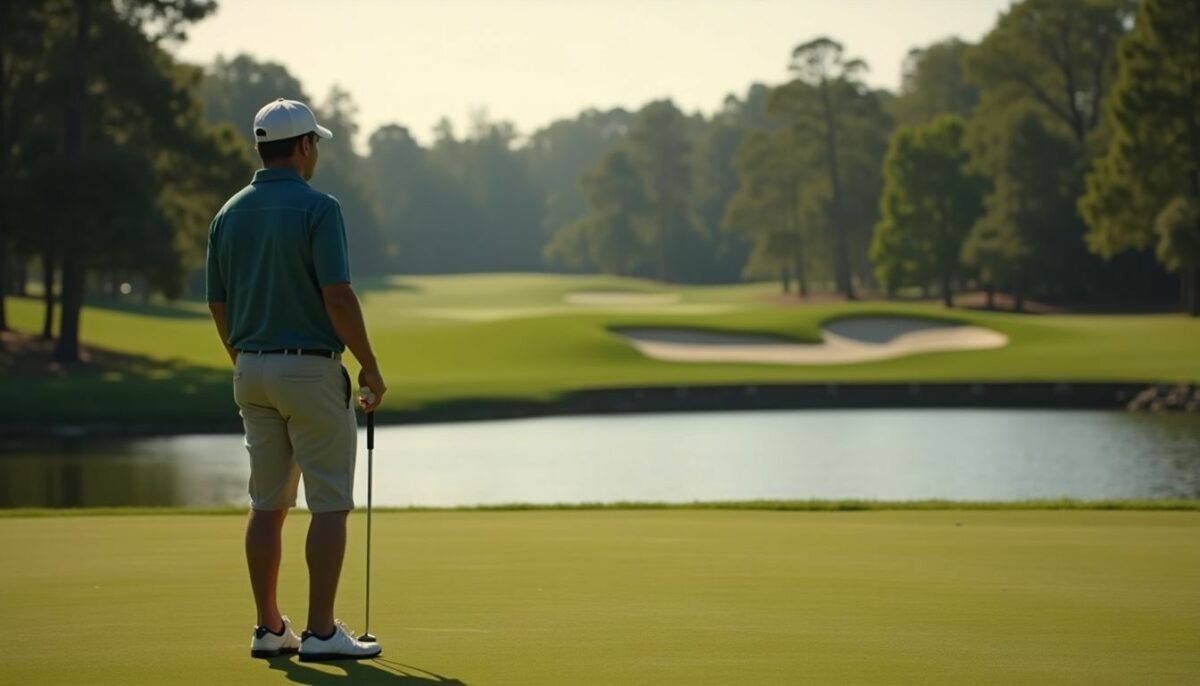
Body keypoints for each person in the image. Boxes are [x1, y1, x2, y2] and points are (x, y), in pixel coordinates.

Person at [206, 98, 387, 662]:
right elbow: (337, 294)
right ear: (305, 145)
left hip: (250, 369)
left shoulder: (228, 212)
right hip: (309, 369)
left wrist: (244, 355)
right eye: (317, 144)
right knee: (329, 503)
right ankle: (320, 632)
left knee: (267, 504)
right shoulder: (320, 208)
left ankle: (268, 628)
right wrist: (370, 364)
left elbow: (218, 301)